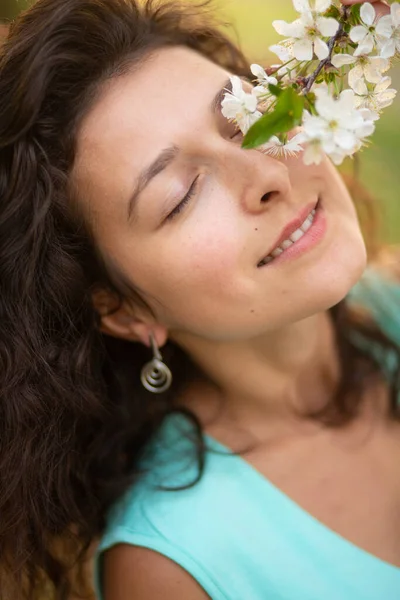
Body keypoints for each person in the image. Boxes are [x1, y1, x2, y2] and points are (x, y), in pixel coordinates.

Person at [0, 0, 399, 598]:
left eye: (249, 117)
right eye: (182, 195)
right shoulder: (174, 566)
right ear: (122, 309)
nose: (268, 175)